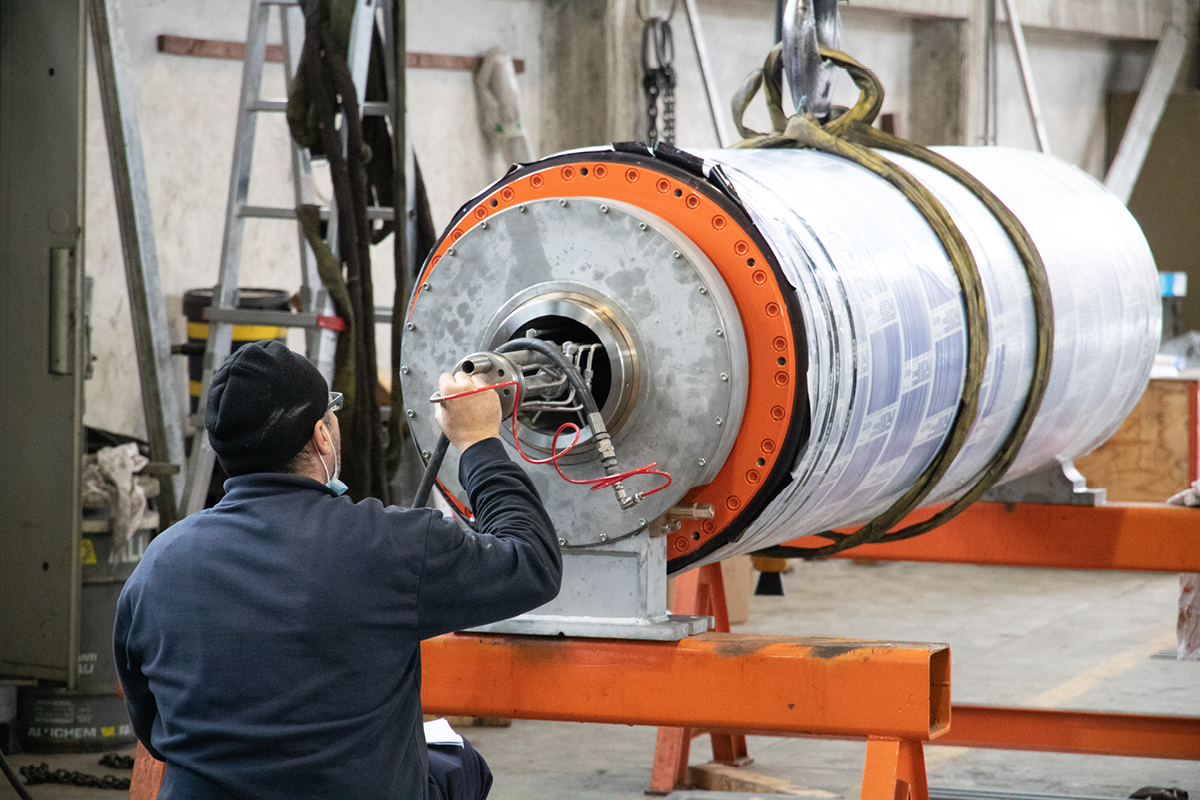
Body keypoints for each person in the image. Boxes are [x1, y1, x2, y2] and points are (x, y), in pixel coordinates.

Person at [113, 340, 562, 799]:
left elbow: (153, 729)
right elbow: (532, 562)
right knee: (460, 765)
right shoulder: (390, 545)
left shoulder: (158, 565)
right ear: (321, 435)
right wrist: (479, 442)